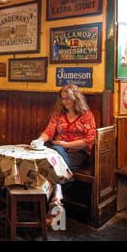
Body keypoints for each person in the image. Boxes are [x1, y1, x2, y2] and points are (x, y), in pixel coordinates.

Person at [31, 84, 96, 221]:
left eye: (68, 99)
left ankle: (49, 205)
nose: (65, 102)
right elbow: (49, 131)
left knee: (50, 165)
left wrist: (67, 144)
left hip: (79, 153)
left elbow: (89, 141)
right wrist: (38, 141)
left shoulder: (87, 116)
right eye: (63, 99)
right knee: (55, 154)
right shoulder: (58, 114)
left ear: (76, 98)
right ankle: (57, 198)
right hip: (58, 151)